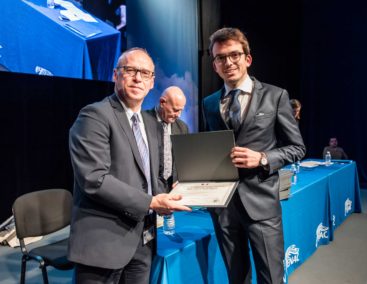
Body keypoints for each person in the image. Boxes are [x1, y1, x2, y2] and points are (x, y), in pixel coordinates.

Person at [68, 47, 191, 284]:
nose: (138, 78)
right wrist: (153, 202)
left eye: (145, 73)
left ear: (152, 82)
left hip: (142, 240)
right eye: (131, 70)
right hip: (104, 244)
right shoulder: (94, 116)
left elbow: (147, 176)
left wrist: (176, 188)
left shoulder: (148, 123)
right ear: (116, 75)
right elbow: (94, 179)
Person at [202, 27, 306, 284]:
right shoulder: (209, 104)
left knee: (270, 277)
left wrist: (261, 158)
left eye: (234, 55)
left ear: (247, 59)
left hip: (261, 206)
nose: (228, 62)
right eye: (220, 58)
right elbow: (210, 150)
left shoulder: (275, 96)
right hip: (223, 208)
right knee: (236, 278)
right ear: (214, 65)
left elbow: (297, 148)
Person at [146, 86, 189, 192]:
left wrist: (182, 179)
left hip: (172, 188)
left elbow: (184, 160)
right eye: (175, 110)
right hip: (149, 188)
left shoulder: (182, 127)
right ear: (162, 102)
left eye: (181, 110)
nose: (179, 115)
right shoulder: (143, 121)